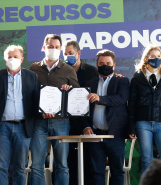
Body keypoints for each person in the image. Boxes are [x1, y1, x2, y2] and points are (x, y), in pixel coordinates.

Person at [0, 45, 39, 185]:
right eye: (9, 57)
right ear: (5, 58)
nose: (12, 59)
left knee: (20, 167)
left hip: (23, 127)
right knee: (1, 167)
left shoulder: (32, 77)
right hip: (2, 127)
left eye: (15, 57)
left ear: (22, 59)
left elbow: (37, 102)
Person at [30, 34, 79, 185]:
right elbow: (29, 93)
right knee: (37, 165)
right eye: (50, 47)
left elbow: (77, 95)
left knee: (62, 165)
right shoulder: (34, 68)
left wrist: (69, 90)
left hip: (61, 122)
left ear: (61, 49)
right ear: (44, 47)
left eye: (57, 47)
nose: (53, 49)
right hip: (39, 121)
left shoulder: (68, 70)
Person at [83, 49, 129, 185]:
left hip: (116, 134)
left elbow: (120, 99)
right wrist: (86, 126)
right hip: (95, 135)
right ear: (97, 65)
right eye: (101, 63)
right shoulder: (89, 84)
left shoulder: (122, 81)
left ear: (114, 65)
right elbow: (83, 109)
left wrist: (100, 98)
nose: (105, 65)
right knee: (96, 172)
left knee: (117, 171)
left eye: (108, 63)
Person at [128, 44, 161, 172]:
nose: (156, 59)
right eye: (153, 56)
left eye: (158, 56)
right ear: (146, 58)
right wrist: (131, 126)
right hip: (142, 123)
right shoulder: (137, 77)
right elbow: (132, 103)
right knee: (146, 161)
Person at [63, 40, 99, 185]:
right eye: (65, 54)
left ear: (79, 53)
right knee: (70, 161)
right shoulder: (61, 70)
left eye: (70, 53)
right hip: (68, 122)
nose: (68, 56)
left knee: (89, 161)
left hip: (88, 123)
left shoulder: (91, 71)